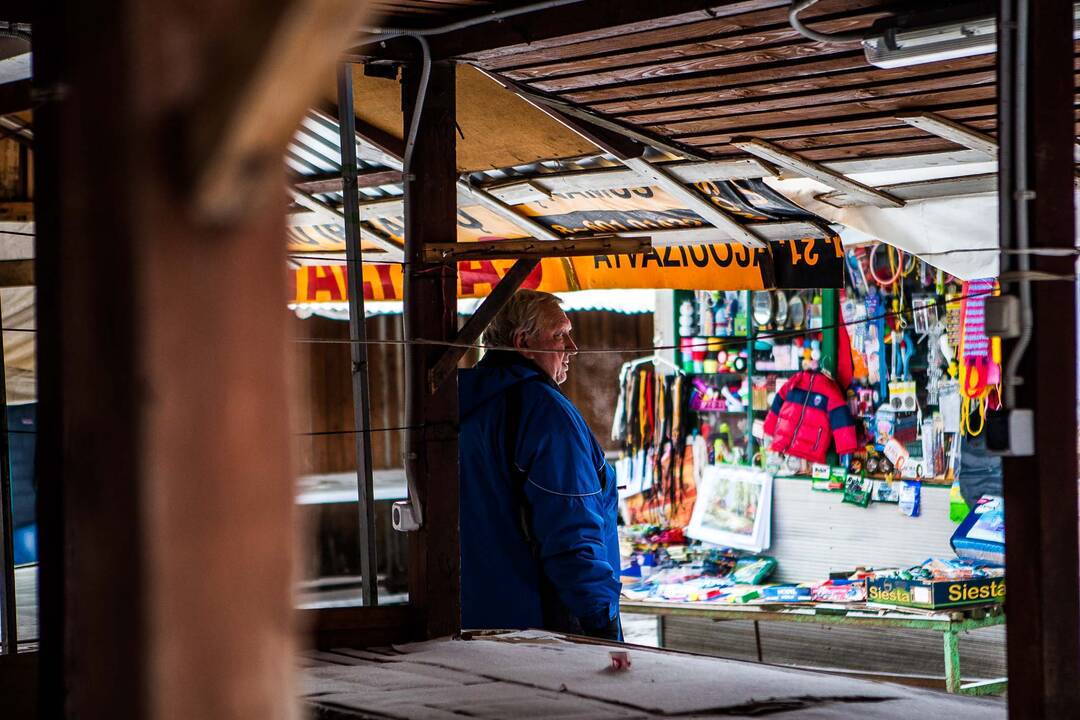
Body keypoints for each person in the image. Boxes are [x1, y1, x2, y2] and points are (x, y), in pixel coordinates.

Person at [459, 289, 622, 639]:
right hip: (542, 627)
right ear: (523, 343)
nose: (572, 348)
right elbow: (571, 529)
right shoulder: (544, 412)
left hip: (472, 616)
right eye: (560, 335)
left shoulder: (463, 404)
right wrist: (600, 620)